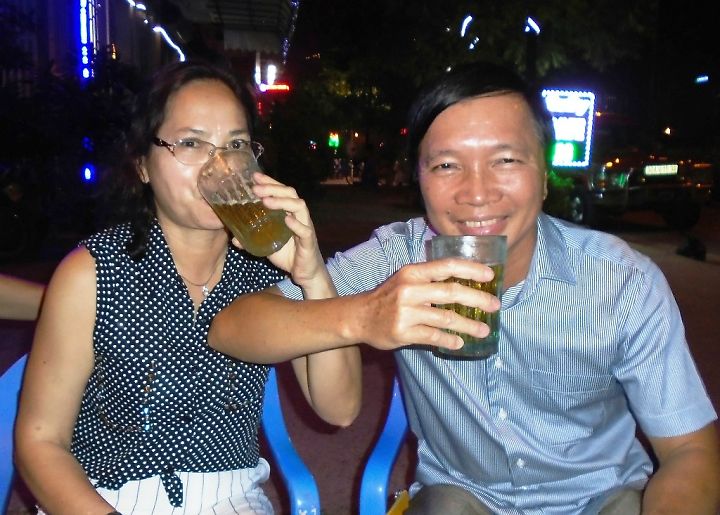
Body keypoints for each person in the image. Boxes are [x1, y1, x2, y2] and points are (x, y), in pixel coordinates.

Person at [208, 62, 720, 514]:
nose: (476, 193)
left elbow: (690, 451)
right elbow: (232, 325)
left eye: (506, 160)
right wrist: (363, 314)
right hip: (461, 496)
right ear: (418, 178)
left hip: (601, 497)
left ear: (545, 175)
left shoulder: (621, 280)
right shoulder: (400, 256)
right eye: (447, 165)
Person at [14, 60, 360, 515]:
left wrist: (312, 275)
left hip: (232, 499)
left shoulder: (265, 273)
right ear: (142, 164)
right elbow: (40, 440)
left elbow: (340, 409)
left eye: (235, 145)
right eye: (192, 143)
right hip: (102, 497)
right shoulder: (94, 272)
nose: (220, 166)